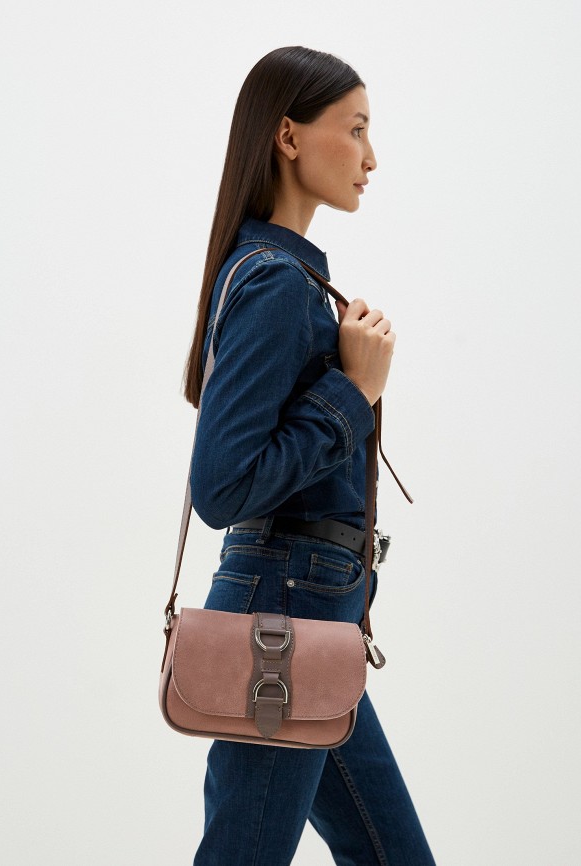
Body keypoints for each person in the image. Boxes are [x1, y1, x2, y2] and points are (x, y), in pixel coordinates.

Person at [183, 46, 436, 866]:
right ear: (289, 137)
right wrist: (353, 393)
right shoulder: (277, 283)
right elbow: (223, 487)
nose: (372, 156)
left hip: (309, 612)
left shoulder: (276, 276)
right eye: (355, 129)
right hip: (284, 621)